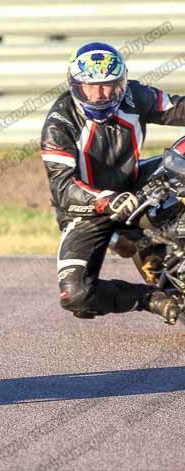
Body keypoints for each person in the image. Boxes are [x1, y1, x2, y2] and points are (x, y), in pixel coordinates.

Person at [41, 42, 185, 323]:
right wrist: (106, 200)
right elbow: (62, 187)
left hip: (135, 183)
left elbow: (178, 109)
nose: (100, 94)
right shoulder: (59, 123)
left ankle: (169, 247)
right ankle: (148, 297)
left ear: (121, 83)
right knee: (77, 295)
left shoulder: (134, 95)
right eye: (90, 86)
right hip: (85, 210)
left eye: (109, 85)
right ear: (75, 85)